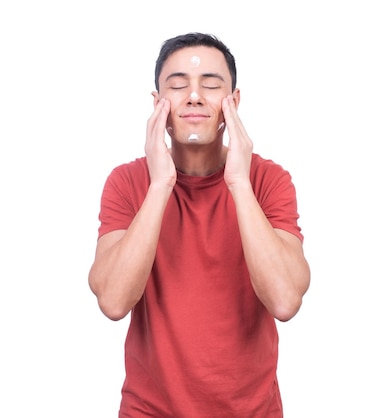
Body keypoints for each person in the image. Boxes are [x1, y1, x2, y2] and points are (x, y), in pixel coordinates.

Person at [88, 32, 311, 417]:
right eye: (178, 85)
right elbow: (112, 301)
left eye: (210, 85)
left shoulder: (269, 180)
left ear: (234, 102)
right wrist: (161, 184)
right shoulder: (127, 182)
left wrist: (239, 182)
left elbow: (285, 300)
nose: (193, 96)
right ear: (157, 104)